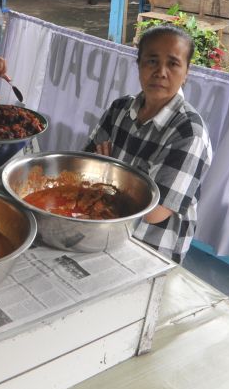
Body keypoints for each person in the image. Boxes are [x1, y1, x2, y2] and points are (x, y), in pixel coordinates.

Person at [84, 24, 213, 263]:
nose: (161, 72)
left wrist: (108, 174)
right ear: (139, 65)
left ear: (186, 72)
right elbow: (84, 170)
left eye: (173, 63)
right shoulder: (120, 109)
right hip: (101, 231)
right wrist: (133, 186)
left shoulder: (189, 133)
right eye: (151, 61)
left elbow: (154, 213)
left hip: (149, 249)